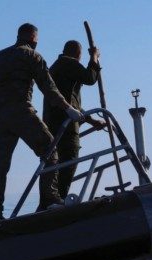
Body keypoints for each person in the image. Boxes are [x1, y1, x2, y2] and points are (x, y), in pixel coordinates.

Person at [0, 23, 84, 221]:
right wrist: (68, 108)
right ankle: (50, 199)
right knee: (50, 150)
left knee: (0, 164)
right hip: (21, 112)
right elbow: (48, 87)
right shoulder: (32, 56)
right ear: (34, 38)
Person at [43, 40, 105, 199]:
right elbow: (90, 78)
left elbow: (70, 103)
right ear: (78, 54)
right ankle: (59, 200)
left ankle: (49, 200)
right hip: (66, 126)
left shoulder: (55, 67)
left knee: (54, 163)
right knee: (68, 161)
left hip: (52, 123)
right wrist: (94, 57)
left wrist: (92, 121)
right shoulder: (69, 63)